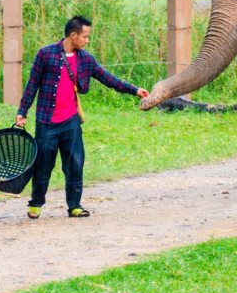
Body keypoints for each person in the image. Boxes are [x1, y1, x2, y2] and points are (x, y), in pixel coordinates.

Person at [15, 15, 148, 219]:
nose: (87, 41)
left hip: (71, 122)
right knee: (43, 165)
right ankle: (36, 204)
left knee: (75, 163)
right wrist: (22, 112)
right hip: (46, 122)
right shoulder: (45, 54)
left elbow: (107, 78)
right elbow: (32, 84)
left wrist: (134, 90)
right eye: (85, 37)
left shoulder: (85, 59)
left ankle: (75, 205)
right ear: (73, 35)